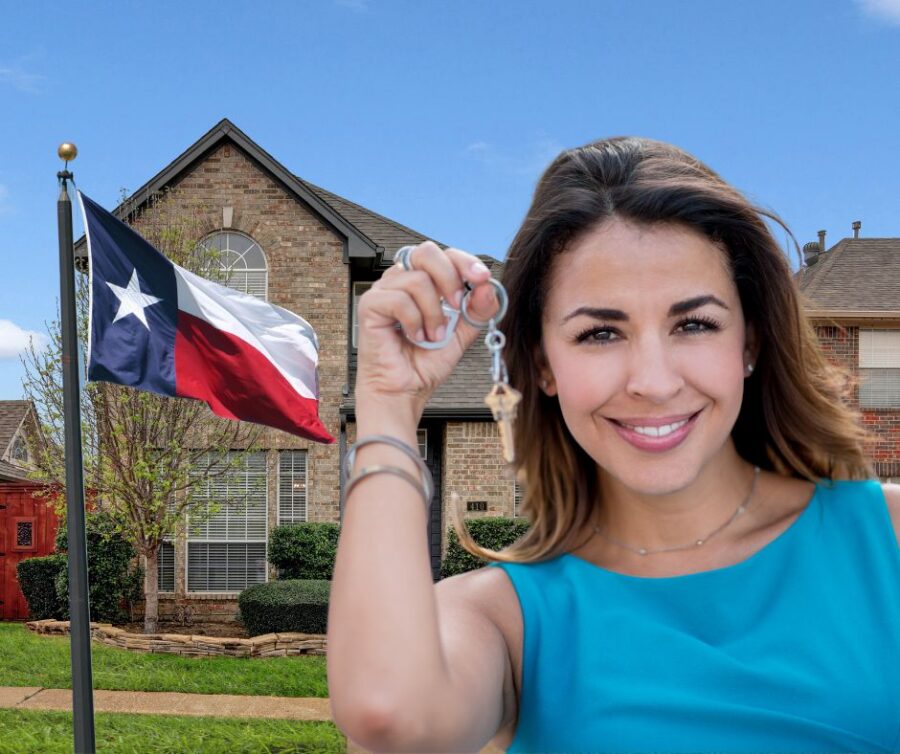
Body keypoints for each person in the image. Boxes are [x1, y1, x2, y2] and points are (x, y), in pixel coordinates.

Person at [327, 137, 900, 753]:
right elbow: (389, 717)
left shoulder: (886, 536)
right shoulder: (505, 620)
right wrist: (388, 408)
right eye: (600, 333)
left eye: (694, 324)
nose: (652, 382)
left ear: (751, 343)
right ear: (543, 365)